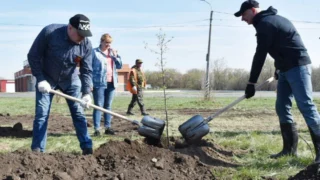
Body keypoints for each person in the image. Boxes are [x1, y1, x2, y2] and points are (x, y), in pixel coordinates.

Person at [234, 0, 320, 163]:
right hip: (285, 69)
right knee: (282, 106)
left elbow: (260, 54)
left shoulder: (266, 23)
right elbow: (281, 46)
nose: (242, 19)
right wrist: (278, 68)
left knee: (306, 106)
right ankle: (289, 150)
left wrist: (251, 83)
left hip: (298, 67)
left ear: (253, 10)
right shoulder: (267, 21)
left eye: (244, 14)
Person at [27, 14, 94, 155]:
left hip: (70, 80)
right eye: (80, 34)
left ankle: (87, 148)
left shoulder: (86, 44)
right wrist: (40, 78)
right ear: (70, 28)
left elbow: (86, 70)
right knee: (42, 114)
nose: (82, 38)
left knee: (78, 113)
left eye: (85, 35)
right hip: (47, 78)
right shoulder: (50, 32)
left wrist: (86, 92)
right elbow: (33, 55)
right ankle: (37, 151)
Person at [91, 33, 122, 136]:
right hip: (99, 83)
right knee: (99, 106)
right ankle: (97, 129)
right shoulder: (94, 52)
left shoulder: (113, 53)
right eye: (106, 43)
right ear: (101, 41)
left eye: (110, 43)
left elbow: (119, 66)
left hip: (111, 82)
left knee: (108, 106)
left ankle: (107, 127)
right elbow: (88, 68)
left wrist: (115, 56)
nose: (108, 45)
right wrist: (89, 83)